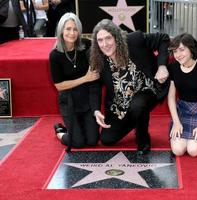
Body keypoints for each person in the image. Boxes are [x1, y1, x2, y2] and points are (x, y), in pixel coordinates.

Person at [90, 19, 170, 155]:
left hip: (146, 90)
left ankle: (143, 138)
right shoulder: (98, 59)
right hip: (121, 103)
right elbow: (95, 86)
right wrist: (96, 110)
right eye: (100, 40)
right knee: (107, 139)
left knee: (137, 105)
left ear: (116, 37)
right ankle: (137, 117)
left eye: (108, 38)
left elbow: (163, 38)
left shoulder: (134, 40)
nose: (105, 44)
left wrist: (162, 66)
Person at [49, 13, 101, 151]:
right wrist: (85, 78)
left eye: (75, 29)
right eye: (68, 29)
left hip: (86, 100)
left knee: (92, 141)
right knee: (77, 143)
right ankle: (61, 132)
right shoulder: (55, 55)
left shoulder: (87, 45)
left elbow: (97, 67)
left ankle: (79, 127)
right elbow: (59, 86)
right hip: (69, 101)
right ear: (61, 30)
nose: (72, 33)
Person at [167, 33, 197, 157]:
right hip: (183, 110)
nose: (178, 55)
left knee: (193, 151)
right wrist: (176, 123)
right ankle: (191, 138)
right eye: (175, 51)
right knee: (178, 150)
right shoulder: (173, 67)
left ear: (191, 48)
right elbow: (171, 98)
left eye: (182, 50)